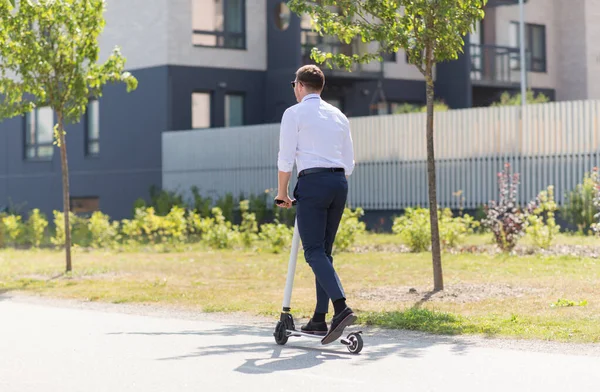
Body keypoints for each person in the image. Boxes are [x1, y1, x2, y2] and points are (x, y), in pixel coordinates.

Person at [275, 64, 356, 345]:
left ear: (299, 85)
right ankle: (319, 319)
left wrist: (282, 193)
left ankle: (341, 308)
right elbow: (349, 161)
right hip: (339, 184)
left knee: (312, 251)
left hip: (312, 182)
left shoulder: (294, 113)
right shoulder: (338, 115)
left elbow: (285, 158)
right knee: (324, 253)